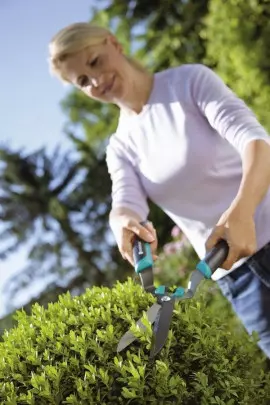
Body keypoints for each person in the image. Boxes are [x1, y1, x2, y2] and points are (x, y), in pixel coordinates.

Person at [48, 22, 270, 357]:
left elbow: (256, 141)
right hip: (237, 278)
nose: (95, 81)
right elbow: (125, 202)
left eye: (94, 62)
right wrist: (123, 222)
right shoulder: (120, 146)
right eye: (82, 81)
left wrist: (242, 211)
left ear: (114, 43)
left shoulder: (188, 82)